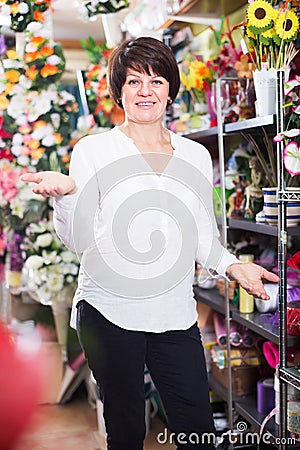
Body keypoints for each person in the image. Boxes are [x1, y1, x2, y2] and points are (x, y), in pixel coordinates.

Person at [21, 37, 279, 450]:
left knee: (196, 430)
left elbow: (202, 237)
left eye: (157, 81)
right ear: (119, 90)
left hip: (173, 314)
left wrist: (233, 266)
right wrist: (69, 195)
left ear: (170, 90)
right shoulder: (94, 151)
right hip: (108, 311)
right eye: (135, 81)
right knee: (125, 433)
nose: (146, 91)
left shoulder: (194, 155)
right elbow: (77, 240)